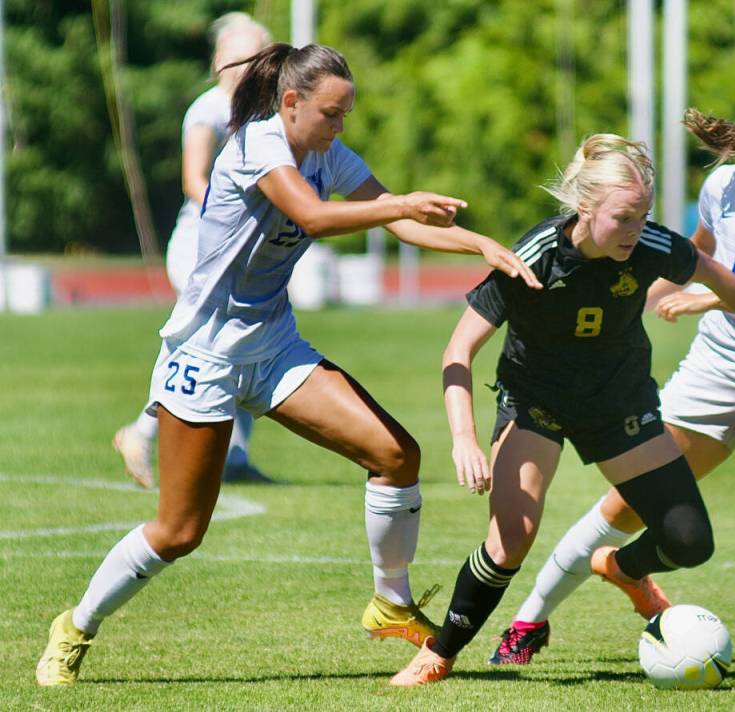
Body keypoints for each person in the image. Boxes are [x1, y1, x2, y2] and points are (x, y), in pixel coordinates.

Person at [36, 41, 542, 687]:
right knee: (179, 530)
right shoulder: (256, 146)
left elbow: (402, 222)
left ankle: (390, 601)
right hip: (205, 352)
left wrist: (478, 244)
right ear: (292, 101)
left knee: (395, 455)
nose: (339, 127)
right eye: (332, 114)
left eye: (346, 116)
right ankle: (74, 627)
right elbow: (315, 216)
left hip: (272, 345)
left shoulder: (328, 152)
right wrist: (400, 204)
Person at [389, 133, 735, 687]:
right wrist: (464, 438)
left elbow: (717, 277)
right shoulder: (537, 254)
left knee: (690, 541)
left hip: (618, 400)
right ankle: (439, 653)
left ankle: (621, 569)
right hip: (537, 403)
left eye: (643, 216)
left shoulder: (649, 245)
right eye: (623, 218)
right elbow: (458, 350)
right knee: (512, 538)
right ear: (584, 209)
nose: (635, 231)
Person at [490, 84, 735, 676]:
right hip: (712, 369)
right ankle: (529, 621)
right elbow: (682, 263)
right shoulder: (721, 187)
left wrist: (707, 302)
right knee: (625, 503)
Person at [113, 12, 275, 487]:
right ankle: (142, 430)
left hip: (238, 248)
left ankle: (235, 457)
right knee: (210, 339)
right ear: (220, 62)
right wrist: (240, 217)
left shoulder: (263, 113)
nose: (250, 66)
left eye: (259, 56)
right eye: (242, 57)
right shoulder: (207, 111)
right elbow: (194, 182)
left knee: (239, 337)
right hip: (199, 246)